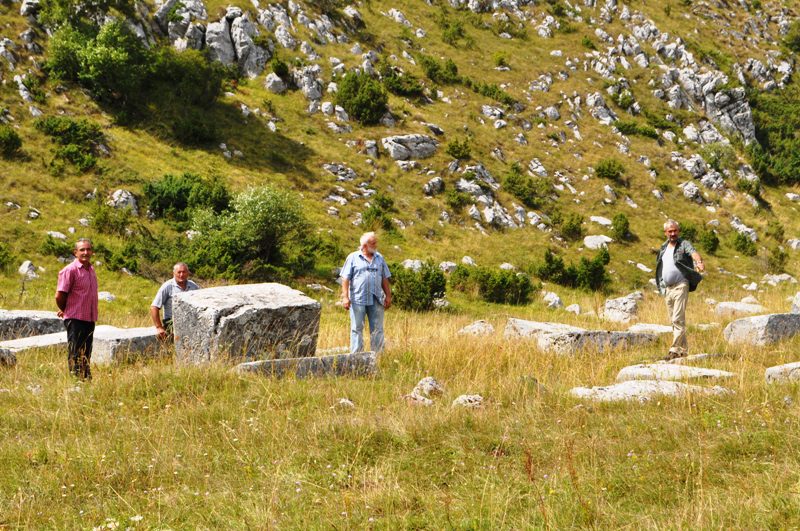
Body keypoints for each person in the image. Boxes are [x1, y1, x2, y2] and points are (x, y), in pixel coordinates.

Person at [655, 219, 705, 360]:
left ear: (679, 231)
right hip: (668, 289)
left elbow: (693, 253)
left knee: (678, 318)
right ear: (665, 233)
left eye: (675, 230)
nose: (673, 233)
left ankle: (674, 350)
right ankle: (682, 351)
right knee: (674, 320)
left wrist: (699, 262)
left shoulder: (684, 244)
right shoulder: (663, 247)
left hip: (681, 285)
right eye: (670, 231)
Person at [340, 232, 392, 354]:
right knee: (357, 328)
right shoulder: (353, 257)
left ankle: (378, 356)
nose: (376, 245)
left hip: (376, 299)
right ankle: (357, 357)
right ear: (364, 245)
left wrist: (388, 296)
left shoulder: (379, 258)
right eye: (373, 243)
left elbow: (385, 278)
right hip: (358, 299)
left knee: (377, 329)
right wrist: (345, 297)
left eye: (376, 242)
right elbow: (345, 279)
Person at [56, 238, 98, 379]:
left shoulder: (90, 269)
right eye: (82, 250)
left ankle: (86, 380)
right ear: (75, 252)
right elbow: (59, 295)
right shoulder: (70, 270)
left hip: (89, 318)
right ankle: (77, 381)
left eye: (88, 249)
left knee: (86, 352)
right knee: (76, 352)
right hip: (75, 319)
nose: (86, 252)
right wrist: (67, 309)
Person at [150, 262, 201, 340]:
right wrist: (159, 327)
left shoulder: (193, 286)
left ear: (188, 273)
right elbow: (154, 307)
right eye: (179, 272)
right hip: (172, 323)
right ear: (174, 273)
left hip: (190, 322)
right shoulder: (167, 286)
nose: (181, 275)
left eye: (184, 272)